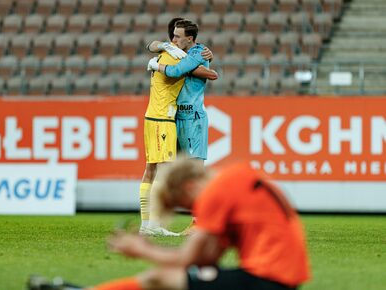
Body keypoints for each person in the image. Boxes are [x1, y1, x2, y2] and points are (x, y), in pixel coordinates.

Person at [27, 157, 311, 290]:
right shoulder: (235, 179)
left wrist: (141, 250)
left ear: (189, 187)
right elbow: (205, 260)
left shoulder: (216, 191)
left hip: (267, 280)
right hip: (280, 277)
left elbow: (188, 258)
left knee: (159, 278)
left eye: (186, 207)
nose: (193, 212)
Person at [138, 18, 218, 236]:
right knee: (173, 172)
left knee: (195, 172)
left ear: (189, 39)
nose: (172, 40)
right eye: (172, 36)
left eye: (177, 36)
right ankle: (151, 224)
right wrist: (162, 47)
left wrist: (156, 65)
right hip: (175, 120)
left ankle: (201, 222)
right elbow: (151, 45)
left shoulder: (197, 54)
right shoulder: (174, 50)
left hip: (191, 119)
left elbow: (176, 72)